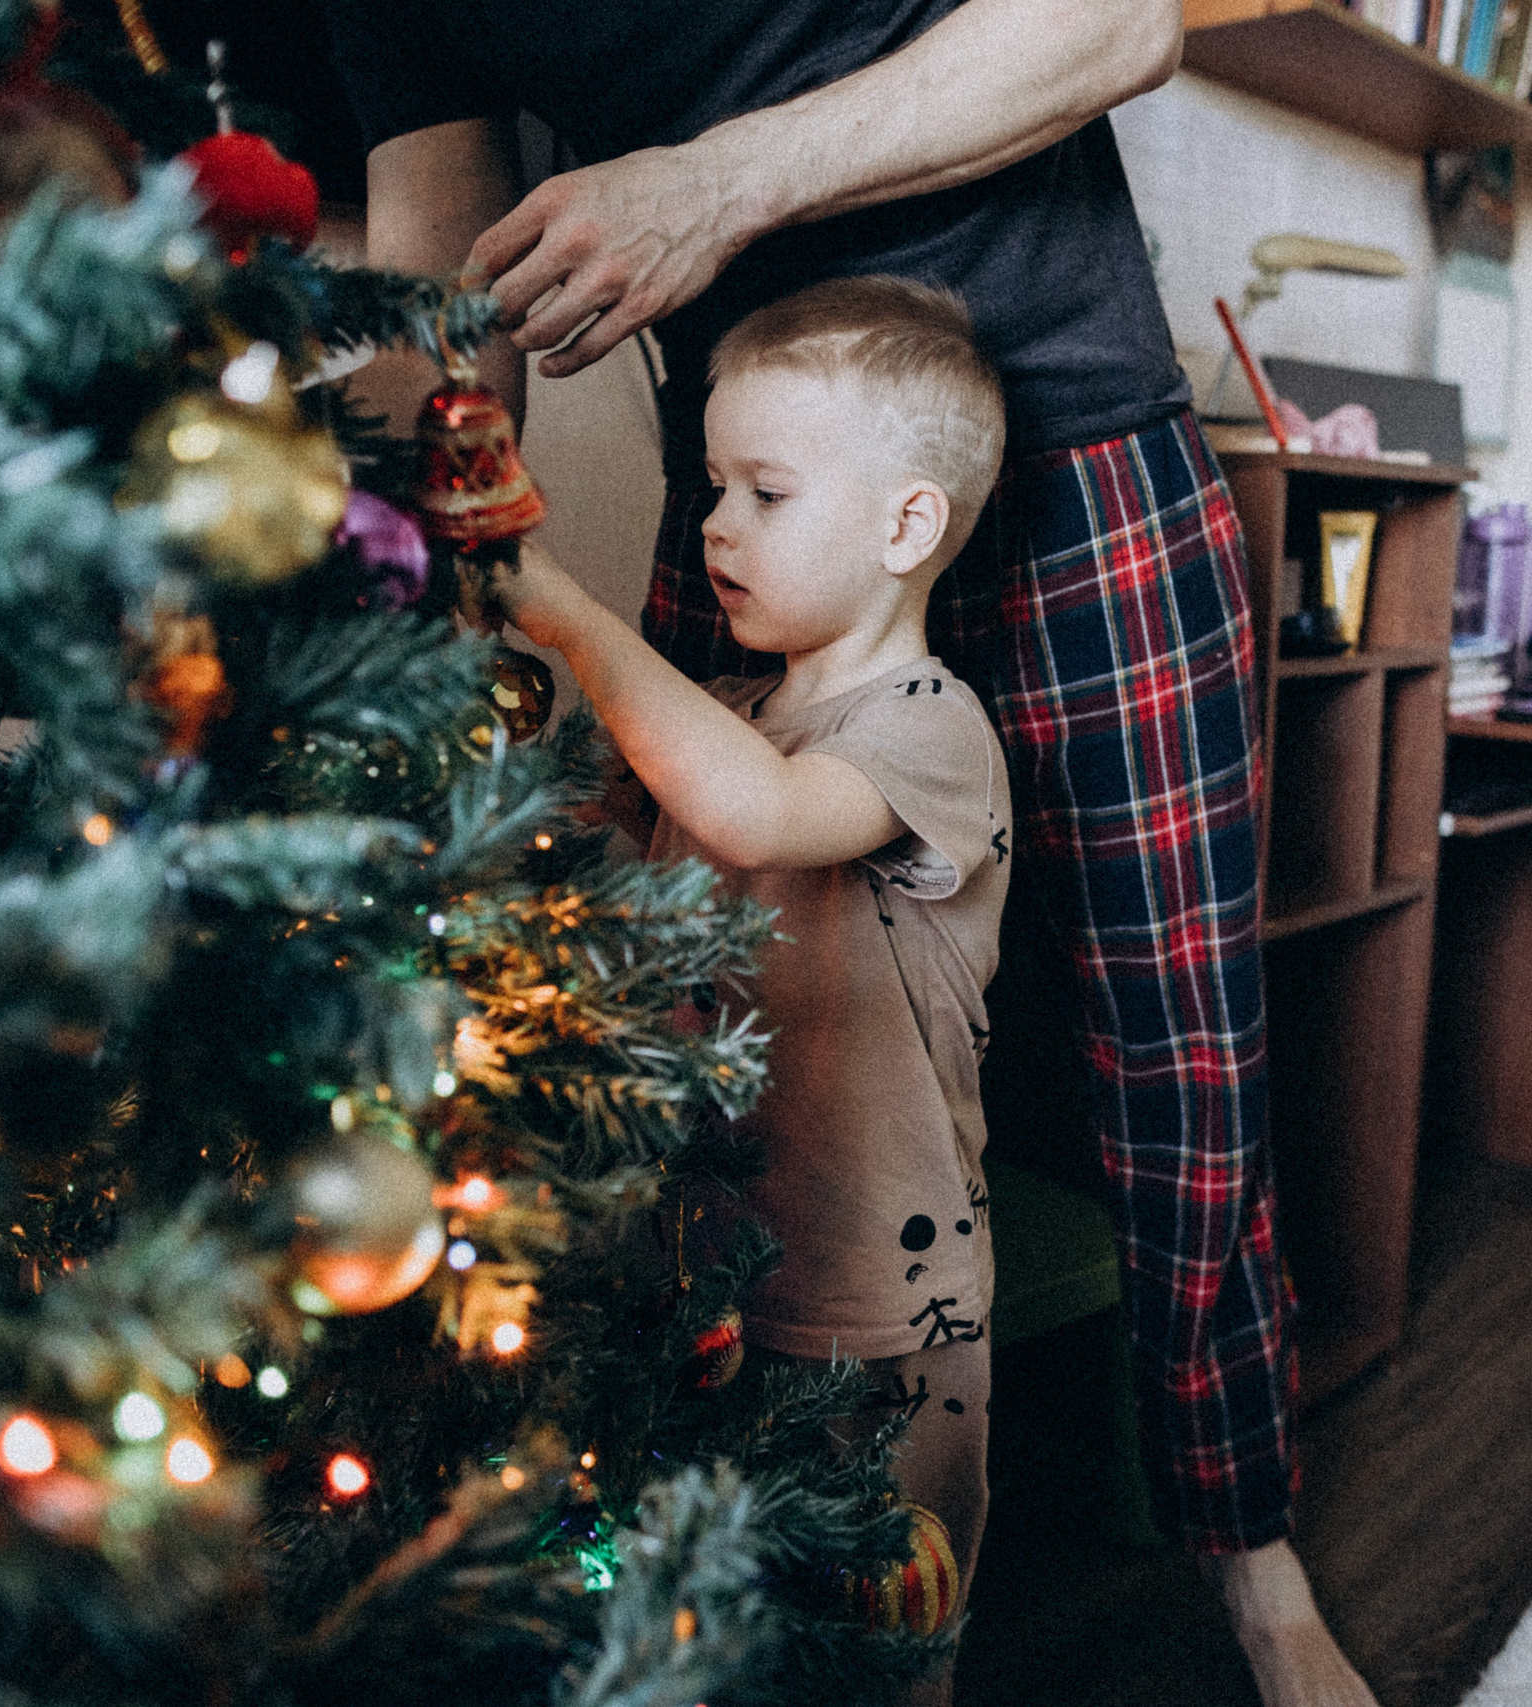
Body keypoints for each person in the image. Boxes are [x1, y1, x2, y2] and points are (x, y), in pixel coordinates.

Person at [321, 3, 1381, 1701]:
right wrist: (404, 548)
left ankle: (1252, 1559)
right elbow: (437, 245)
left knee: (1181, 1065)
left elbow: (1113, 23)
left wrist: (712, 187)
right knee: (681, 1032)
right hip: (767, 504)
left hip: (1086, 450)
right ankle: (689, 1540)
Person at [490, 277, 1011, 1698]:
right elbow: (596, 841)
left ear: (908, 524)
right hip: (705, 1264)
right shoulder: (723, 711)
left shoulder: (930, 727)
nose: (715, 525)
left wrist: (581, 624)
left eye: (764, 492)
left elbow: (764, 818)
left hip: (879, 1298)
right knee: (728, 1617)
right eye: (713, 483)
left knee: (883, 1624)